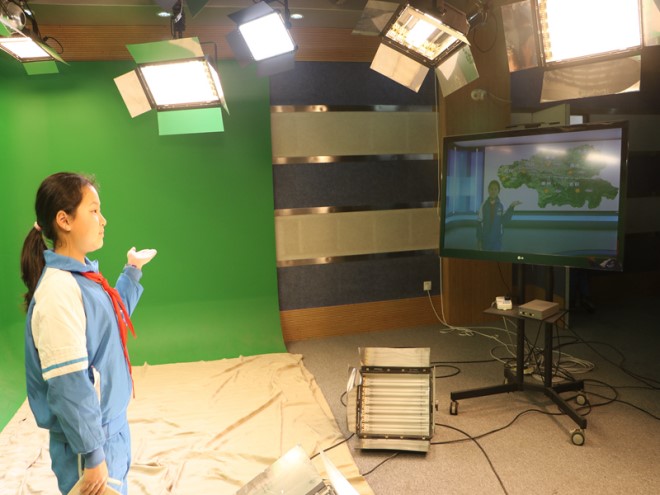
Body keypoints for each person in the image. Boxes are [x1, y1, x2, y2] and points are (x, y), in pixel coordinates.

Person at [20, 172, 157, 495]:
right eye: (94, 210)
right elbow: (69, 384)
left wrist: (132, 272)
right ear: (64, 220)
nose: (103, 220)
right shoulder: (58, 292)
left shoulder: (82, 279)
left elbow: (110, 322)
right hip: (88, 445)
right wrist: (93, 455)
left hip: (108, 431)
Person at [477, 179, 522, 251]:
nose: (493, 191)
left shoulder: (501, 205)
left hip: (497, 240)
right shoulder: (483, 205)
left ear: (498, 191)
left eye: (495, 189)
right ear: (488, 190)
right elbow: (479, 223)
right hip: (485, 240)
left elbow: (505, 220)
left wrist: (511, 207)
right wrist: (479, 240)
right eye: (491, 189)